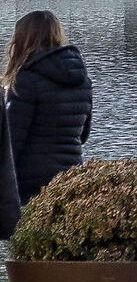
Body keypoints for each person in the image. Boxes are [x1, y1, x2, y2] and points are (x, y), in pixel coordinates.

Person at [5, 11, 92, 203]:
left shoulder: (25, 80)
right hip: (71, 180)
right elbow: (83, 135)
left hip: (30, 187)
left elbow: (10, 144)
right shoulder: (82, 80)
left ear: (22, 40)